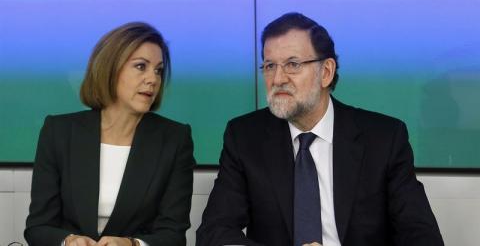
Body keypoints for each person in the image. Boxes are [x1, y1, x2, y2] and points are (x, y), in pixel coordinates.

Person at [197, 12, 444, 246]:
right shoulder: (244, 137)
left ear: (326, 72)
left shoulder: (384, 138)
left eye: (292, 64)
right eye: (270, 66)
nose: (278, 78)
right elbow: (214, 232)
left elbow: (422, 236)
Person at [25, 22, 195, 246]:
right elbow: (38, 228)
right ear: (110, 67)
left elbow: (173, 235)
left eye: (158, 70)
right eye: (141, 66)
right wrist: (69, 241)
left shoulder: (174, 139)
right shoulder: (59, 131)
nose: (153, 79)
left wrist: (132, 244)